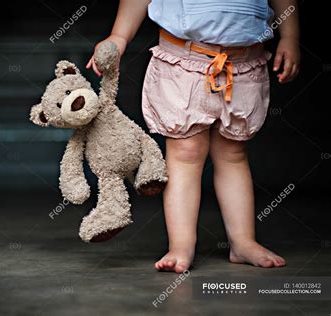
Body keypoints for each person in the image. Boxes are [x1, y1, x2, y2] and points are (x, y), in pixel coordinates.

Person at [86, 0, 300, 272]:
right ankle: (181, 244)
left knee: (233, 154)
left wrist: (290, 37)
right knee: (186, 154)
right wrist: (120, 35)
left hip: (244, 65)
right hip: (183, 63)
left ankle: (243, 241)